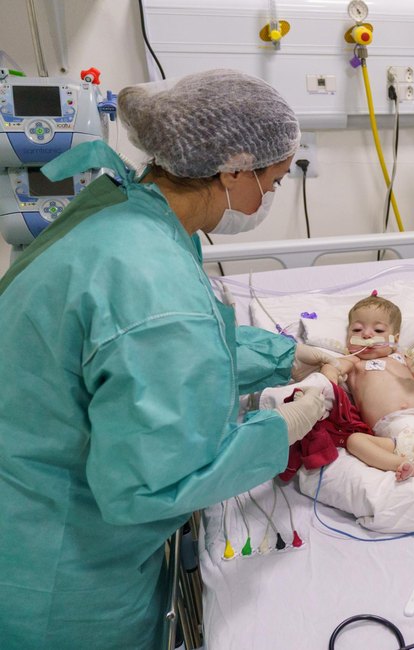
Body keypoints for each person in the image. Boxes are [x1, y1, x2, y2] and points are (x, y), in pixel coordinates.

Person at [0, 69, 338, 649]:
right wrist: (281, 426)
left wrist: (285, 359)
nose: (270, 199)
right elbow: (160, 480)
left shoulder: (123, 210)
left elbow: (160, 354)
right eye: (275, 182)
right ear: (233, 168)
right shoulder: (151, 279)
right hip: (58, 571)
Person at [320, 295, 414, 481]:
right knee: (354, 441)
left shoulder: (403, 359)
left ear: (395, 339)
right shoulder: (354, 363)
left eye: (378, 329)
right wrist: (329, 374)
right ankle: (400, 465)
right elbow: (333, 365)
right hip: (390, 438)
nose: (367, 335)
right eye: (357, 329)